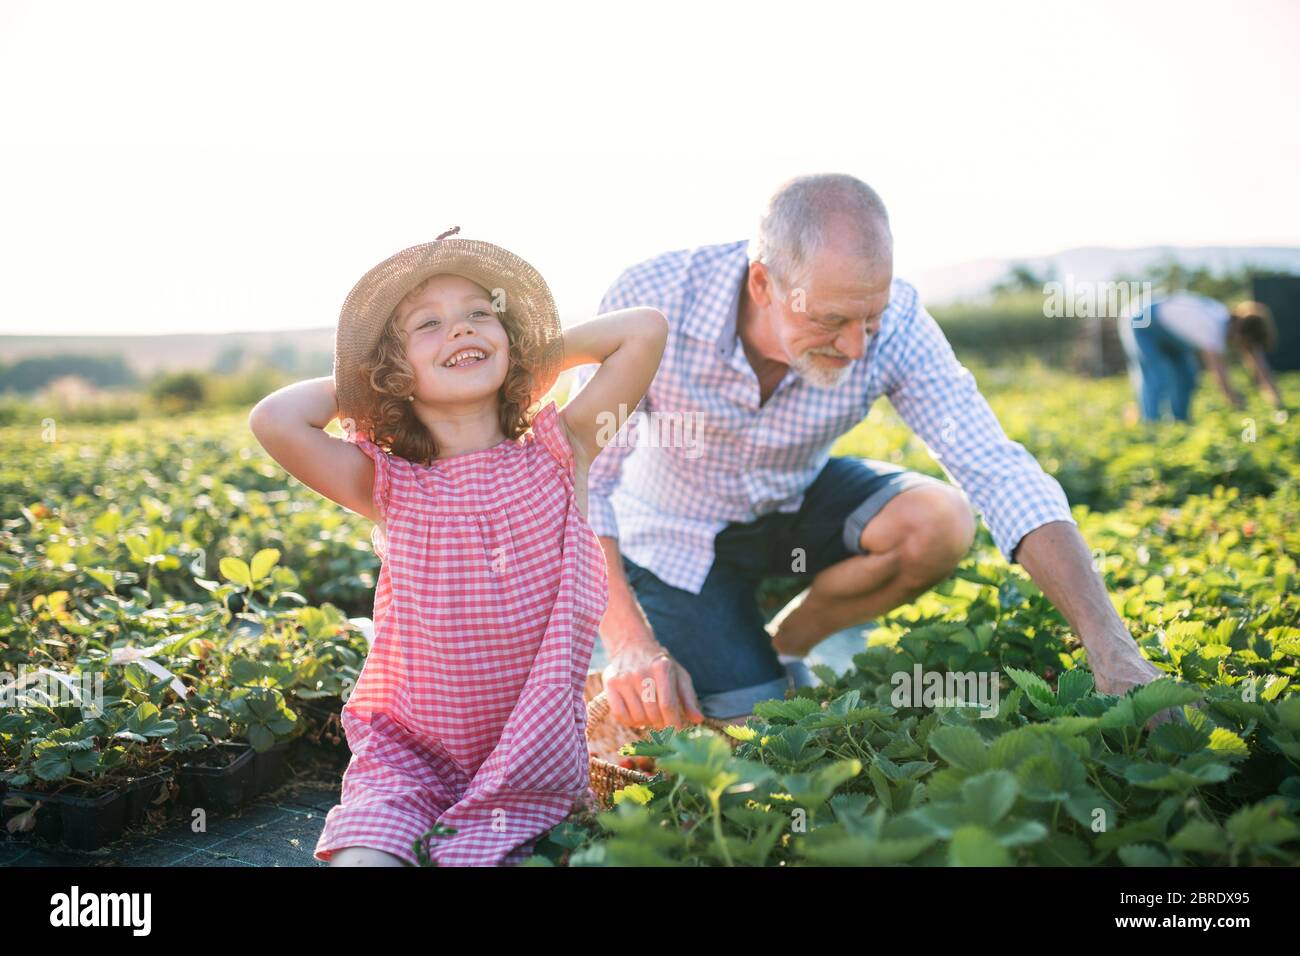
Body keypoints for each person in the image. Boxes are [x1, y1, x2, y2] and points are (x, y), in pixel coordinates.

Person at [572, 173, 1179, 733]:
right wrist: (628, 640)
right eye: (833, 320)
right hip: (676, 537)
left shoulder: (901, 324)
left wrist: (1112, 650)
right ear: (763, 284)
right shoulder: (656, 298)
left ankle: (786, 644)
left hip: (793, 504)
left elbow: (995, 466)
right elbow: (584, 479)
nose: (859, 347)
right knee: (755, 730)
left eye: (873, 318)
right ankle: (735, 656)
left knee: (941, 520)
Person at [248, 228, 667, 866]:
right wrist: (364, 384)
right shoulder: (387, 484)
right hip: (411, 763)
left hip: (533, 765)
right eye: (429, 325)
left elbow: (643, 329)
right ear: (393, 368)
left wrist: (529, 355)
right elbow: (274, 419)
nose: (462, 331)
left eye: (480, 316)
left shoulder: (563, 451)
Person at [1118, 292, 1283, 422]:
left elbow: (1257, 361)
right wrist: (1235, 401)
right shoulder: (1213, 327)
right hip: (1144, 320)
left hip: (1171, 329)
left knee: (1188, 377)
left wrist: (1277, 400)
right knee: (1157, 377)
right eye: (1245, 343)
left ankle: (1179, 423)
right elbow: (1219, 374)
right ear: (1241, 333)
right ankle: (1151, 426)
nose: (1241, 348)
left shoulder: (1227, 320)